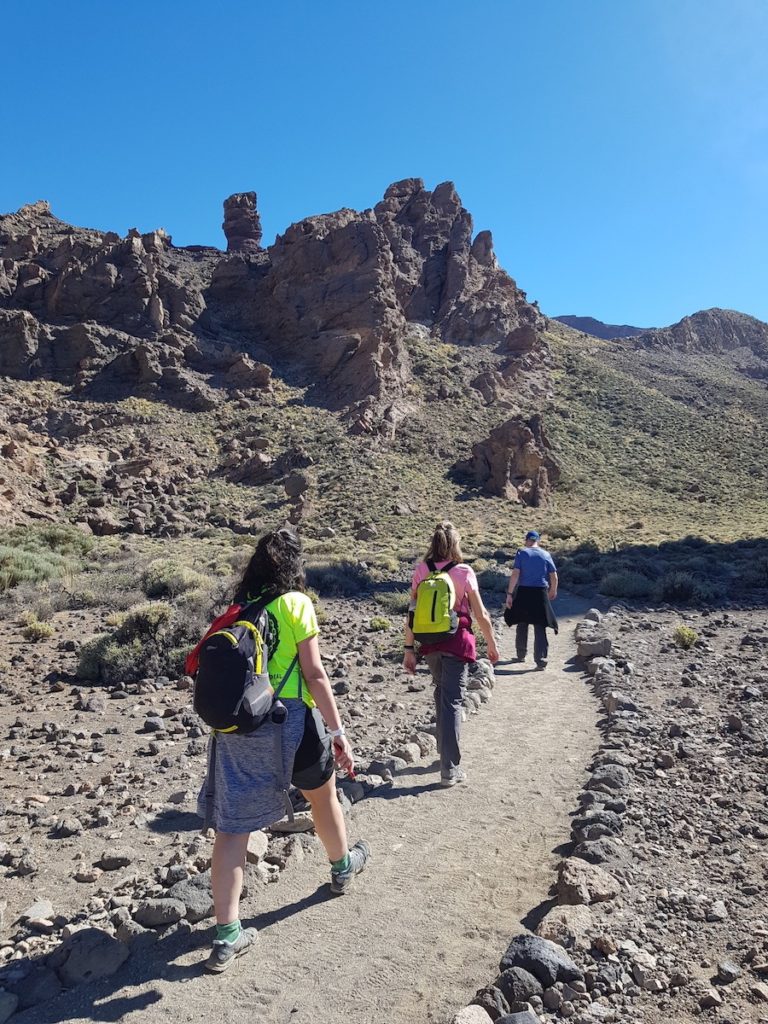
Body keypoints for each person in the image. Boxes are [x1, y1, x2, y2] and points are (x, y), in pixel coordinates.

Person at [190, 528, 370, 973]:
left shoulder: (238, 610)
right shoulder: (297, 604)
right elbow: (315, 674)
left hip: (239, 725)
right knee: (322, 798)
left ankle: (228, 935)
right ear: (293, 566)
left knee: (231, 829)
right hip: (293, 720)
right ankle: (342, 867)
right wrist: (338, 729)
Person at [403, 521, 500, 787]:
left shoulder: (422, 570)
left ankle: (444, 754)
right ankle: (450, 769)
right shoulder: (464, 571)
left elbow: (411, 613)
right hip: (458, 642)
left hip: (431, 644)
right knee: (453, 701)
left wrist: (408, 649)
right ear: (455, 544)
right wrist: (491, 643)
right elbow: (480, 614)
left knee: (442, 693)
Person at [504, 530, 559, 669]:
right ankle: (541, 660)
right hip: (540, 592)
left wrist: (509, 594)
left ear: (527, 540)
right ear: (538, 540)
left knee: (522, 622)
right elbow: (554, 575)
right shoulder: (546, 554)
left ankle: (521, 654)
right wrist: (553, 590)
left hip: (524, 591)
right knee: (540, 625)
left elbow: (516, 574)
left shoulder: (522, 553)